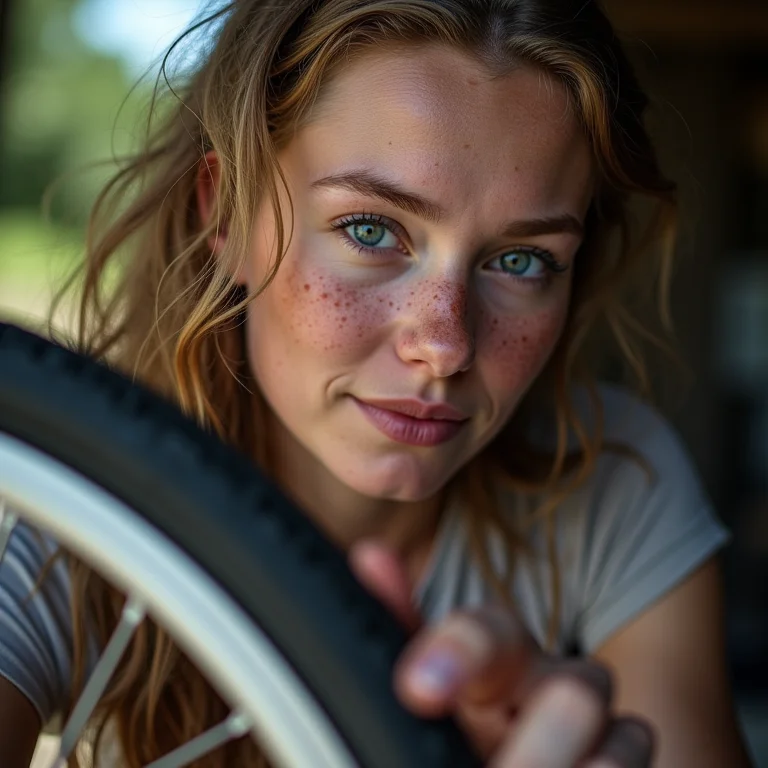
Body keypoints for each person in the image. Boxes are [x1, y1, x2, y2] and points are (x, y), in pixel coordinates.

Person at [0, 0, 755, 766]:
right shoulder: (68, 505)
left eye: (521, 261)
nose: (445, 346)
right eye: (370, 230)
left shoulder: (610, 480)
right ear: (226, 212)